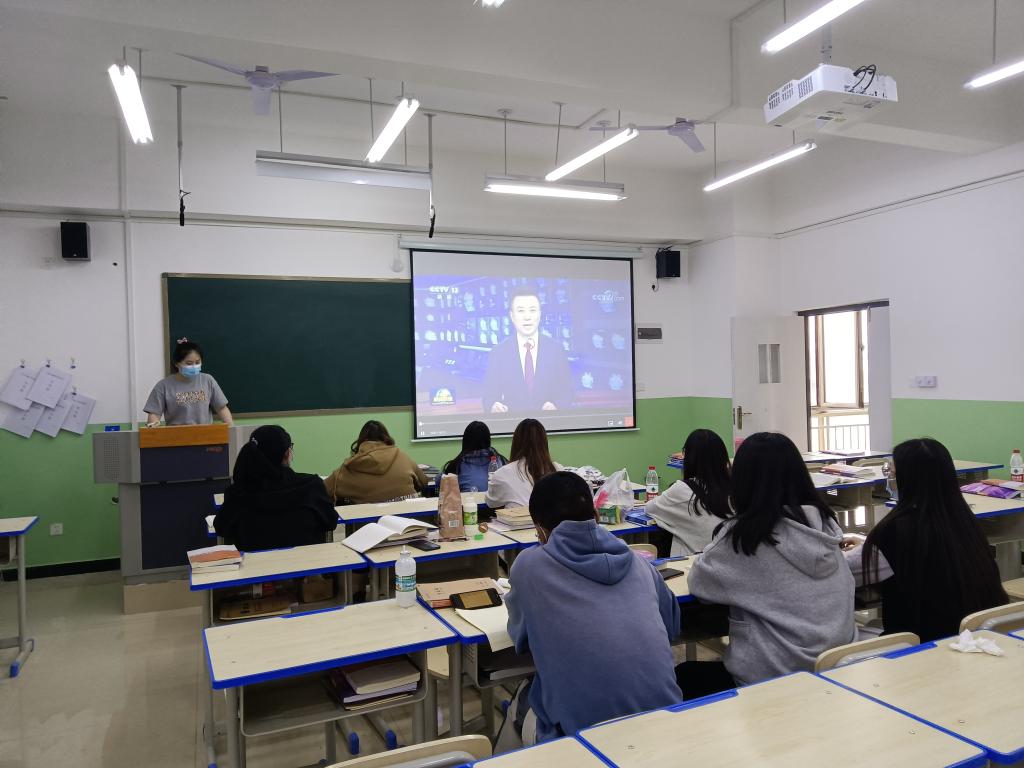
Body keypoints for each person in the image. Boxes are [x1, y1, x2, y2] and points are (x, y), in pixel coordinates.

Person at [499, 471, 682, 746]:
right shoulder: (639, 564)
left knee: (523, 699)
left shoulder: (529, 567)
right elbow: (672, 627)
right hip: (666, 723)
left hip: (584, 739)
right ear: (596, 517)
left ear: (539, 530)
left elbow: (520, 637)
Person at [680, 432, 855, 700]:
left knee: (684, 676)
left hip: (772, 681)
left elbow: (700, 584)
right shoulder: (825, 526)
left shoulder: (741, 540)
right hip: (838, 671)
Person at [862, 438, 1008, 642]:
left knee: (861, 630)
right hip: (977, 633)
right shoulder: (964, 521)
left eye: (891, 474)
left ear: (908, 479)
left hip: (920, 643)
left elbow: (863, 574)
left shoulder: (894, 529)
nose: (889, 479)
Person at [214, 425, 336, 551]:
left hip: (255, 569)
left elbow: (221, 528)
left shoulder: (238, 493)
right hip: (309, 568)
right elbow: (330, 522)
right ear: (287, 453)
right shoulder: (311, 486)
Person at [480, 284, 574, 414]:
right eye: (521, 311)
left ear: (539, 314)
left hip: (548, 426)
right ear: (512, 316)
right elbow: (488, 397)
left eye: (532, 310)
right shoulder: (498, 353)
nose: (527, 317)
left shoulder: (556, 350)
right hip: (513, 427)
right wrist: (493, 406)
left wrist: (557, 405)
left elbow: (568, 391)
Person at [645, 429, 733, 557]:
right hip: (727, 564)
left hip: (691, 566)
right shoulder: (736, 489)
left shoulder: (682, 490)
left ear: (689, 457)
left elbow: (650, 508)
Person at [325, 420, 428, 505]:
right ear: (385, 437)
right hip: (412, 523)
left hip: (369, 526)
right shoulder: (402, 455)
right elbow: (424, 482)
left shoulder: (349, 468)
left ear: (361, 441)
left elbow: (323, 489)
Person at [144, 337, 233, 426]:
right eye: (189, 363)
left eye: (197, 362)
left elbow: (221, 408)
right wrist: (153, 432)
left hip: (205, 435)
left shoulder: (208, 380)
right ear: (176, 363)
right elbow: (154, 413)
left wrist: (231, 429)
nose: (194, 366)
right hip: (175, 436)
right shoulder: (163, 386)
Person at [485, 419, 560, 508]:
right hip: (553, 521)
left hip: (521, 521)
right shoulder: (558, 470)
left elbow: (491, 502)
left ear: (516, 442)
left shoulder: (504, 474)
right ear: (544, 442)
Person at [442, 421, 508, 493]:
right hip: (498, 503)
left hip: (469, 503)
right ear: (488, 440)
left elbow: (441, 482)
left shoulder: (456, 465)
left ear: (465, 441)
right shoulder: (501, 461)